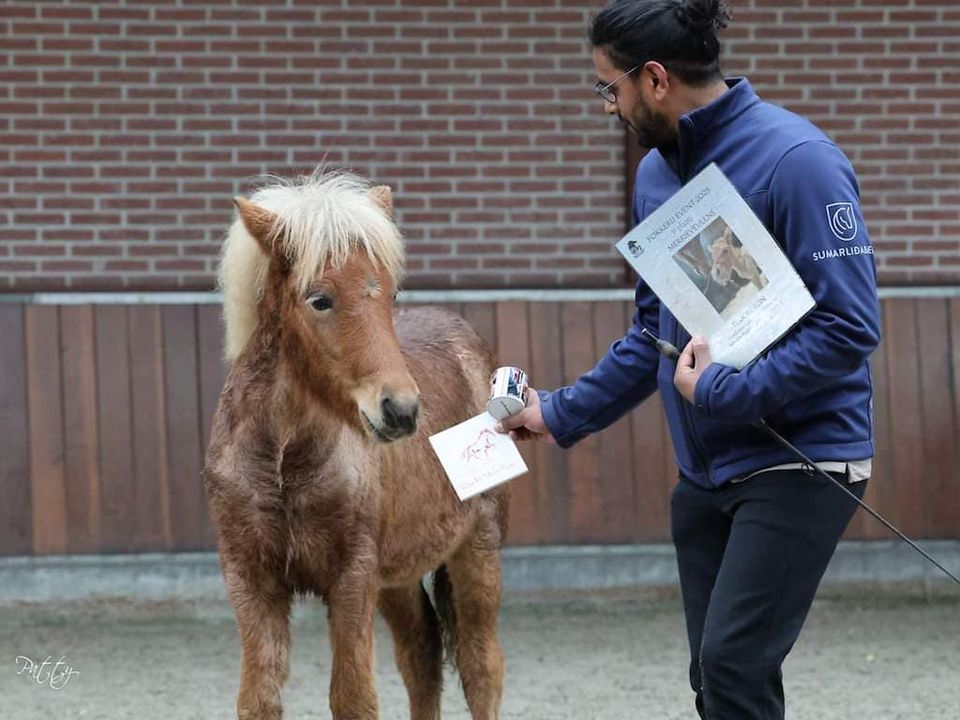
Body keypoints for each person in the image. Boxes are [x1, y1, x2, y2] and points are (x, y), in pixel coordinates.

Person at [496, 1, 881, 718]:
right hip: (703, 473)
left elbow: (849, 326)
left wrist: (730, 394)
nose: (607, 106)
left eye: (609, 87)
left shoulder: (800, 162)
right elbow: (656, 331)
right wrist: (559, 413)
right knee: (715, 680)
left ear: (655, 79)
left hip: (803, 460)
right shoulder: (655, 177)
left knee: (733, 666)